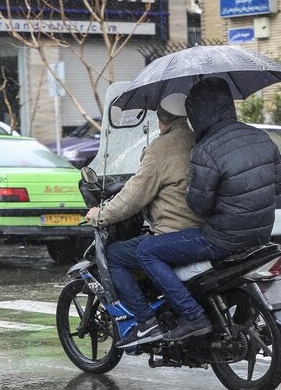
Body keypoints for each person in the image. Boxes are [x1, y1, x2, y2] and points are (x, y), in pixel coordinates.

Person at [135, 76, 281, 342]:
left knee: (146, 251)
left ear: (199, 113)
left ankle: (192, 316)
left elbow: (198, 204)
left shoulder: (206, 148)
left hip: (222, 239)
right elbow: (279, 185)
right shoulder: (260, 136)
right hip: (262, 235)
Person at [85, 93, 203, 348]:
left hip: (174, 232)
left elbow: (133, 196)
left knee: (115, 254)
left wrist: (100, 215)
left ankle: (146, 322)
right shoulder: (200, 139)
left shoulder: (161, 148)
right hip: (203, 230)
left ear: (162, 120)